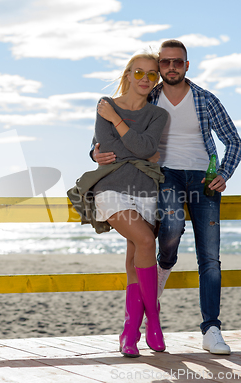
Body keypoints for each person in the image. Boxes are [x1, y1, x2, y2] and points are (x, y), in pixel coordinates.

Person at [93, 40, 241, 355]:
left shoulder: (205, 99)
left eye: (178, 62)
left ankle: (211, 329)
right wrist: (94, 151)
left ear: (187, 65)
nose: (171, 67)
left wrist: (224, 173)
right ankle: (162, 268)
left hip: (202, 177)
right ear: (160, 66)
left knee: (210, 257)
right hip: (163, 175)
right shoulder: (150, 96)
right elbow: (107, 138)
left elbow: (233, 140)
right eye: (165, 63)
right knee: (171, 228)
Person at [69, 48, 168, 357]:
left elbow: (145, 148)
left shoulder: (158, 115)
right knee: (146, 240)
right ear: (128, 74)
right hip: (111, 189)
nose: (145, 78)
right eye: (139, 72)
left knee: (133, 261)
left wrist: (121, 127)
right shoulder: (105, 106)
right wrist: (139, 148)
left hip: (145, 190)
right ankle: (153, 323)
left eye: (152, 74)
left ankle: (129, 332)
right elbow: (116, 149)